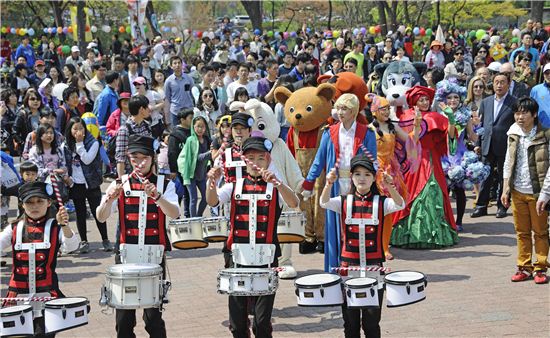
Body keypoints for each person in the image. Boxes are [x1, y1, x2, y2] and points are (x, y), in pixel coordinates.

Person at [206, 136, 299, 338]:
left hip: (266, 257)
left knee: (262, 322)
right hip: (237, 257)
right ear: (244, 161)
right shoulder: (234, 186)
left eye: (261, 159)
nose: (256, 164)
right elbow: (212, 201)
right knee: (238, 324)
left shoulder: (275, 187)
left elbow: (293, 202)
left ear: (268, 161)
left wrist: (279, 183)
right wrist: (211, 182)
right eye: (251, 159)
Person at [96, 134, 180, 338]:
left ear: (152, 159)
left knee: (153, 319)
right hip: (126, 256)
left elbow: (175, 213)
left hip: (154, 255)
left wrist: (158, 197)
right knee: (124, 320)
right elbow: (100, 216)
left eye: (144, 158)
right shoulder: (120, 182)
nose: (139, 163)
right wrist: (108, 199)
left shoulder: (163, 183)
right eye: (134, 158)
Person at [320, 154, 404, 338]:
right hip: (348, 268)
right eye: (357, 174)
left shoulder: (381, 202)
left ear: (374, 178)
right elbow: (323, 202)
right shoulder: (343, 201)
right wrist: (328, 184)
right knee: (350, 322)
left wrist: (390, 186)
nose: (362, 178)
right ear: (351, 177)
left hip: (374, 268)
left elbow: (400, 204)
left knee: (372, 321)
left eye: (367, 174)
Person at [300, 94, 377, 271]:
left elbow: (373, 163)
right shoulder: (330, 132)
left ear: (353, 111)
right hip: (334, 185)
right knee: (335, 228)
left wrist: (376, 183)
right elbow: (318, 161)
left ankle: (358, 267)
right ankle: (335, 269)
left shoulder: (366, 133)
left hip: (359, 185)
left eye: (344, 109)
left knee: (356, 226)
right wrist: (308, 184)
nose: (339, 112)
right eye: (339, 108)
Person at [0, 181, 78, 336]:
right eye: (29, 202)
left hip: (46, 294)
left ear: (49, 202)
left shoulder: (56, 227)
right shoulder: (14, 228)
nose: (34, 206)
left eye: (39, 201)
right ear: (22, 205)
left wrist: (65, 226)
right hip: (18, 295)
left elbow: (72, 247)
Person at [391, 86, 458, 248]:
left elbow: (450, 139)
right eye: (421, 99)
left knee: (432, 193)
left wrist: (451, 119)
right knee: (411, 195)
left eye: (427, 99)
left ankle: (434, 235)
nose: (425, 102)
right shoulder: (406, 117)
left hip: (431, 161)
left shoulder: (436, 117)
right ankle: (410, 235)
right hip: (413, 162)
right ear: (414, 102)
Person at [501, 97, 550, 284]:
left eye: (524, 113)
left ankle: (541, 267)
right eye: (517, 113)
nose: (520, 117)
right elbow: (508, 161)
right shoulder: (513, 133)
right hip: (517, 191)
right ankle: (524, 266)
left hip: (537, 192)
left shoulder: (545, 135)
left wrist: (545, 194)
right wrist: (506, 188)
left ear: (534, 114)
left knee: (540, 231)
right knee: (521, 231)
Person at [368, 95, 419, 259]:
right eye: (383, 109)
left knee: (388, 211)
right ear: (375, 111)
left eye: (388, 109)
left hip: (391, 172)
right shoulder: (369, 129)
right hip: (374, 172)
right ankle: (373, 245)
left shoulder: (392, 128)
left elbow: (411, 140)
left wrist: (416, 126)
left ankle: (385, 247)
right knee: (374, 211)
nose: (386, 112)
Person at [64, 117, 112, 254]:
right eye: (75, 129)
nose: (78, 131)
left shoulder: (93, 142)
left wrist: (79, 143)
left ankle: (105, 239)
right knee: (80, 213)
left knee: (98, 211)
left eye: (81, 128)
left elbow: (87, 159)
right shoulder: (66, 145)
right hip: (76, 183)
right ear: (70, 131)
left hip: (91, 183)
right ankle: (84, 241)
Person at [471, 73, 517, 218]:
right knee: (486, 176)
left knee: (504, 177)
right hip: (487, 143)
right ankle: (481, 206)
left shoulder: (514, 102)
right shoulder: (486, 101)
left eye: (502, 82)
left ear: (508, 84)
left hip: (505, 145)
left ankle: (502, 206)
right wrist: (478, 143)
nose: (499, 85)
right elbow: (481, 124)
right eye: (496, 82)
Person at [178, 116, 212, 217]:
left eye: (202, 126)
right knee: (193, 199)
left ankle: (198, 216)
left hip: (201, 175)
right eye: (198, 126)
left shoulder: (207, 140)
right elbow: (197, 158)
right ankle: (194, 221)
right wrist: (211, 153)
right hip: (191, 174)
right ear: (193, 127)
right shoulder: (191, 140)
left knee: (206, 198)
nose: (200, 129)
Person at [115, 95, 152, 177]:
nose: (150, 109)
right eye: (147, 106)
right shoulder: (124, 130)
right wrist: (121, 181)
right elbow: (121, 158)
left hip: (147, 173)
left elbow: (151, 152)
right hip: (131, 174)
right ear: (141, 109)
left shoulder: (147, 126)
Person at [168, 108, 194, 218]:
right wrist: (173, 170)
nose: (193, 120)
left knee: (189, 194)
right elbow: (172, 153)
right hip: (179, 170)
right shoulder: (175, 135)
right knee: (178, 193)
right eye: (190, 118)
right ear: (182, 120)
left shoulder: (193, 132)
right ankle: (176, 216)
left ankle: (188, 216)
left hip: (190, 169)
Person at [164, 56, 195, 127]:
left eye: (179, 63)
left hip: (189, 110)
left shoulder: (189, 78)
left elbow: (193, 92)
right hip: (175, 111)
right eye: (174, 63)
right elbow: (168, 96)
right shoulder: (168, 81)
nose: (177, 65)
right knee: (177, 133)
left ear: (182, 65)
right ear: (171, 66)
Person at [529, 63, 550, 128]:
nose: (549, 75)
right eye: (547, 73)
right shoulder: (536, 90)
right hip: (541, 130)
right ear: (543, 75)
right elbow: (531, 109)